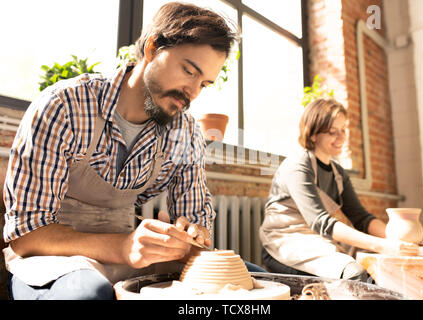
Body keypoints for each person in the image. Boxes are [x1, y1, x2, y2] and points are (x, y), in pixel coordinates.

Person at [3, 2, 263, 300]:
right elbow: (26, 236)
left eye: (204, 83)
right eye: (189, 71)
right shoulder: (65, 105)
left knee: (253, 280)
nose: (193, 92)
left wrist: (190, 237)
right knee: (89, 295)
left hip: (130, 256)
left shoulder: (186, 132)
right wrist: (123, 246)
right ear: (152, 48)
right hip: (52, 260)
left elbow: (195, 223)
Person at [259, 98, 421, 281]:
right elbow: (320, 222)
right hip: (284, 245)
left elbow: (361, 218)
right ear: (313, 134)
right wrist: (382, 245)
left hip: (316, 242)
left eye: (343, 130)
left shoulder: (338, 174)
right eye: (332, 132)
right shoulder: (298, 166)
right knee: (355, 273)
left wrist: (401, 241)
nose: (341, 137)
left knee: (379, 270)